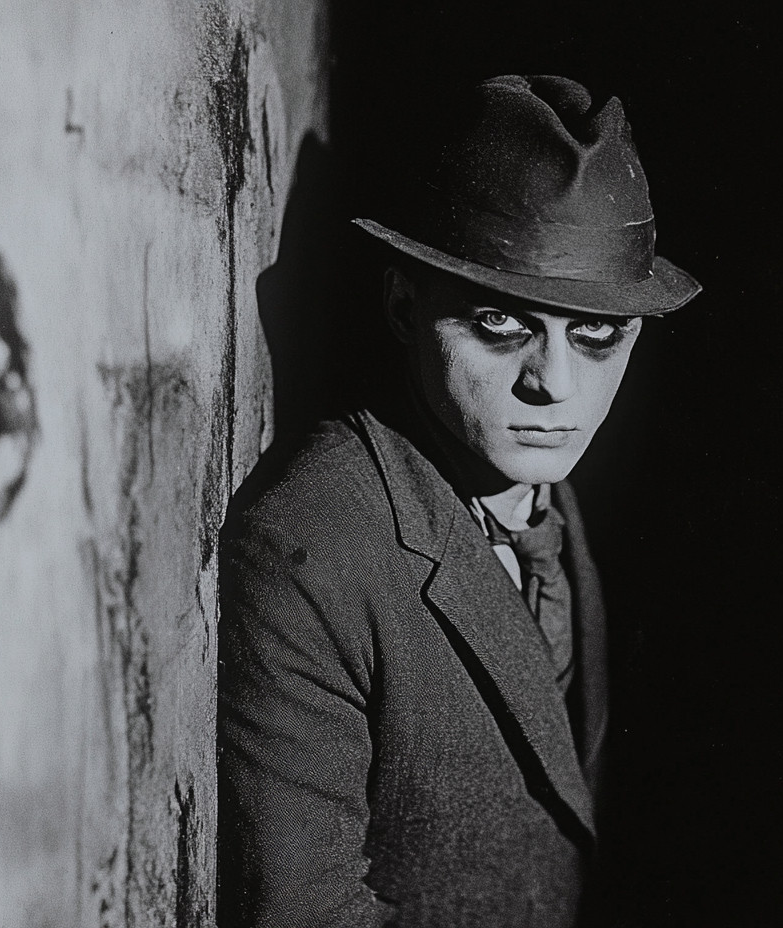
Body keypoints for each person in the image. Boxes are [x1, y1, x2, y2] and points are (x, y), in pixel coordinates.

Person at [217, 74, 701, 928]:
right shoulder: (312, 549)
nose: (554, 385)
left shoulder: (534, 480)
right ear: (404, 302)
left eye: (596, 335)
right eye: (499, 324)